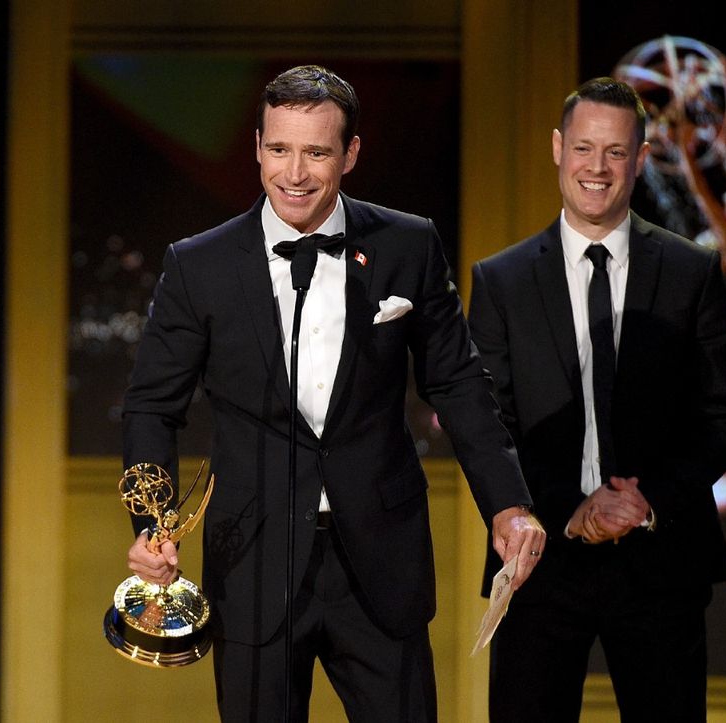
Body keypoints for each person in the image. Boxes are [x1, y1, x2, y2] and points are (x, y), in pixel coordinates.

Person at [121, 64, 545, 722]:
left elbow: (458, 382)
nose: (294, 173)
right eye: (280, 149)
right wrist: (151, 523)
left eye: (316, 152)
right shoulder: (199, 264)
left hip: (380, 561)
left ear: (349, 154)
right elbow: (152, 404)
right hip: (254, 562)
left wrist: (507, 503)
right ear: (258, 146)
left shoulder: (407, 244)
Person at [468, 77, 726, 722]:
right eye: (584, 148)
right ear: (557, 148)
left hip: (661, 561)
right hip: (541, 564)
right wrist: (568, 511)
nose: (597, 168)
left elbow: (725, 413)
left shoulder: (691, 272)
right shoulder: (501, 281)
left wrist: (645, 499)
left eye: (616, 152)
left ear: (642, 158)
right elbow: (489, 424)